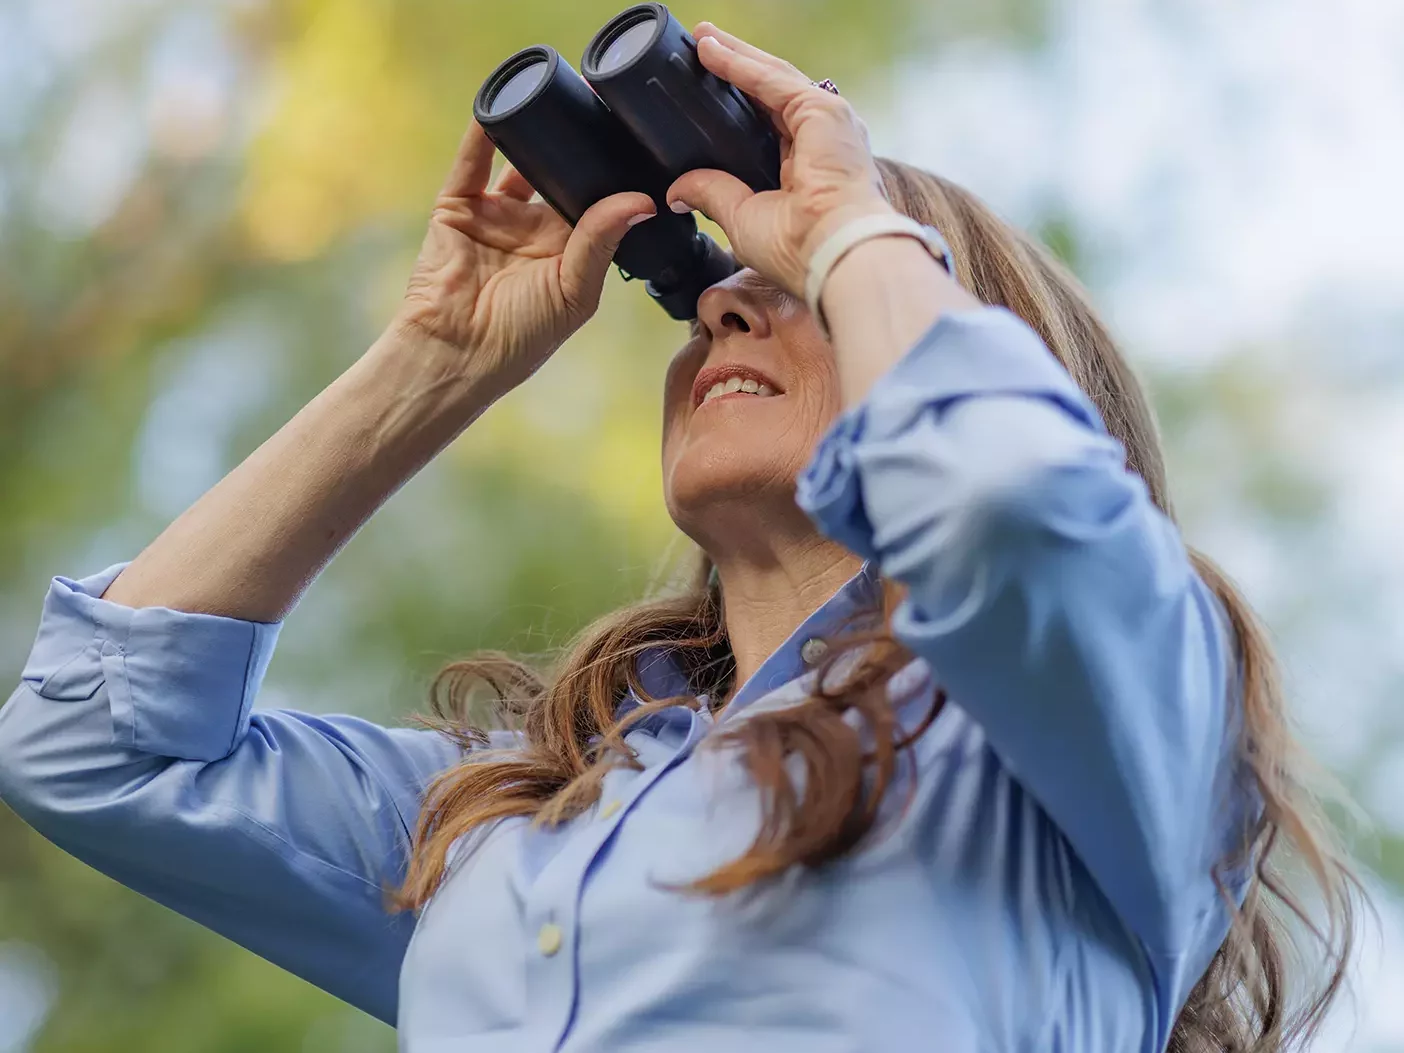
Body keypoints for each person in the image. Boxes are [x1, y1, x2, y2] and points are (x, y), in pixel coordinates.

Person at [0, 22, 1359, 1053]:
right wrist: (435, 359)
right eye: (716, 292)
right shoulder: (513, 822)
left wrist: (847, 225)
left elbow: (1010, 501)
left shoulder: (1118, 734)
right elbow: (92, 745)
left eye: (805, 293)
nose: (721, 311)